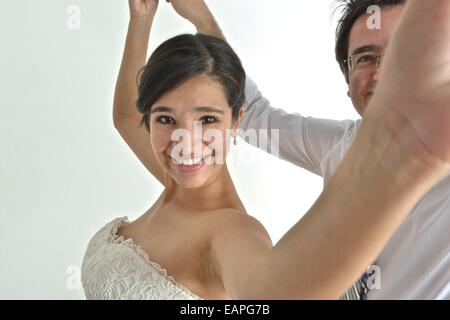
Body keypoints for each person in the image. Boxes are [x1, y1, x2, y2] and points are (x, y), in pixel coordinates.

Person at [81, 0, 450, 300]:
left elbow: (273, 292)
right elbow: (254, 115)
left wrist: (415, 154)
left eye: (404, 53)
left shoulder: (230, 234)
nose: (385, 73)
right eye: (367, 58)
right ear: (347, 78)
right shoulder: (338, 144)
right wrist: (170, 15)